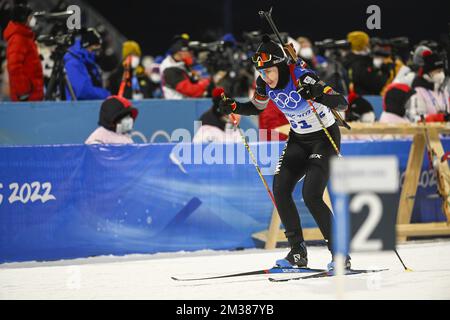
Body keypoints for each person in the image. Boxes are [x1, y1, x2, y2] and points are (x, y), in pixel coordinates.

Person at [219, 35, 349, 271]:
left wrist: (318, 94)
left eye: (269, 71)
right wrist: (235, 107)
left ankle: (340, 254)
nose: (265, 77)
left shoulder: (301, 76)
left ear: (279, 65)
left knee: (311, 195)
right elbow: (255, 107)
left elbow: (341, 102)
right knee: (280, 189)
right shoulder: (263, 84)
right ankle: (297, 252)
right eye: (261, 72)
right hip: (299, 139)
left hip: (324, 139)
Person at [3, 2, 43, 101]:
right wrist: (23, 91)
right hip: (26, 97)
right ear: (23, 18)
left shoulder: (25, 36)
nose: (32, 19)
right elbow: (14, 67)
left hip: (32, 95)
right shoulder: (18, 38)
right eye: (30, 17)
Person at [64, 28, 110, 100]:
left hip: (87, 106)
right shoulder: (73, 63)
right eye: (94, 49)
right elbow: (83, 92)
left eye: (99, 50)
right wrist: (106, 95)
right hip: (76, 108)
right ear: (86, 46)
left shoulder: (89, 63)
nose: (96, 54)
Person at [160, 35, 211, 99]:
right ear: (180, 53)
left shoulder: (180, 63)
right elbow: (191, 91)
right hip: (177, 106)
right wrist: (208, 82)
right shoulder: (169, 69)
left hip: (186, 103)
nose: (191, 54)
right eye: (189, 52)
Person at [406, 50, 449, 122]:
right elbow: (416, 118)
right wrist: (437, 118)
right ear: (428, 73)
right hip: (429, 132)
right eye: (437, 71)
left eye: (442, 70)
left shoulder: (443, 90)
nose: (441, 73)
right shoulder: (417, 91)